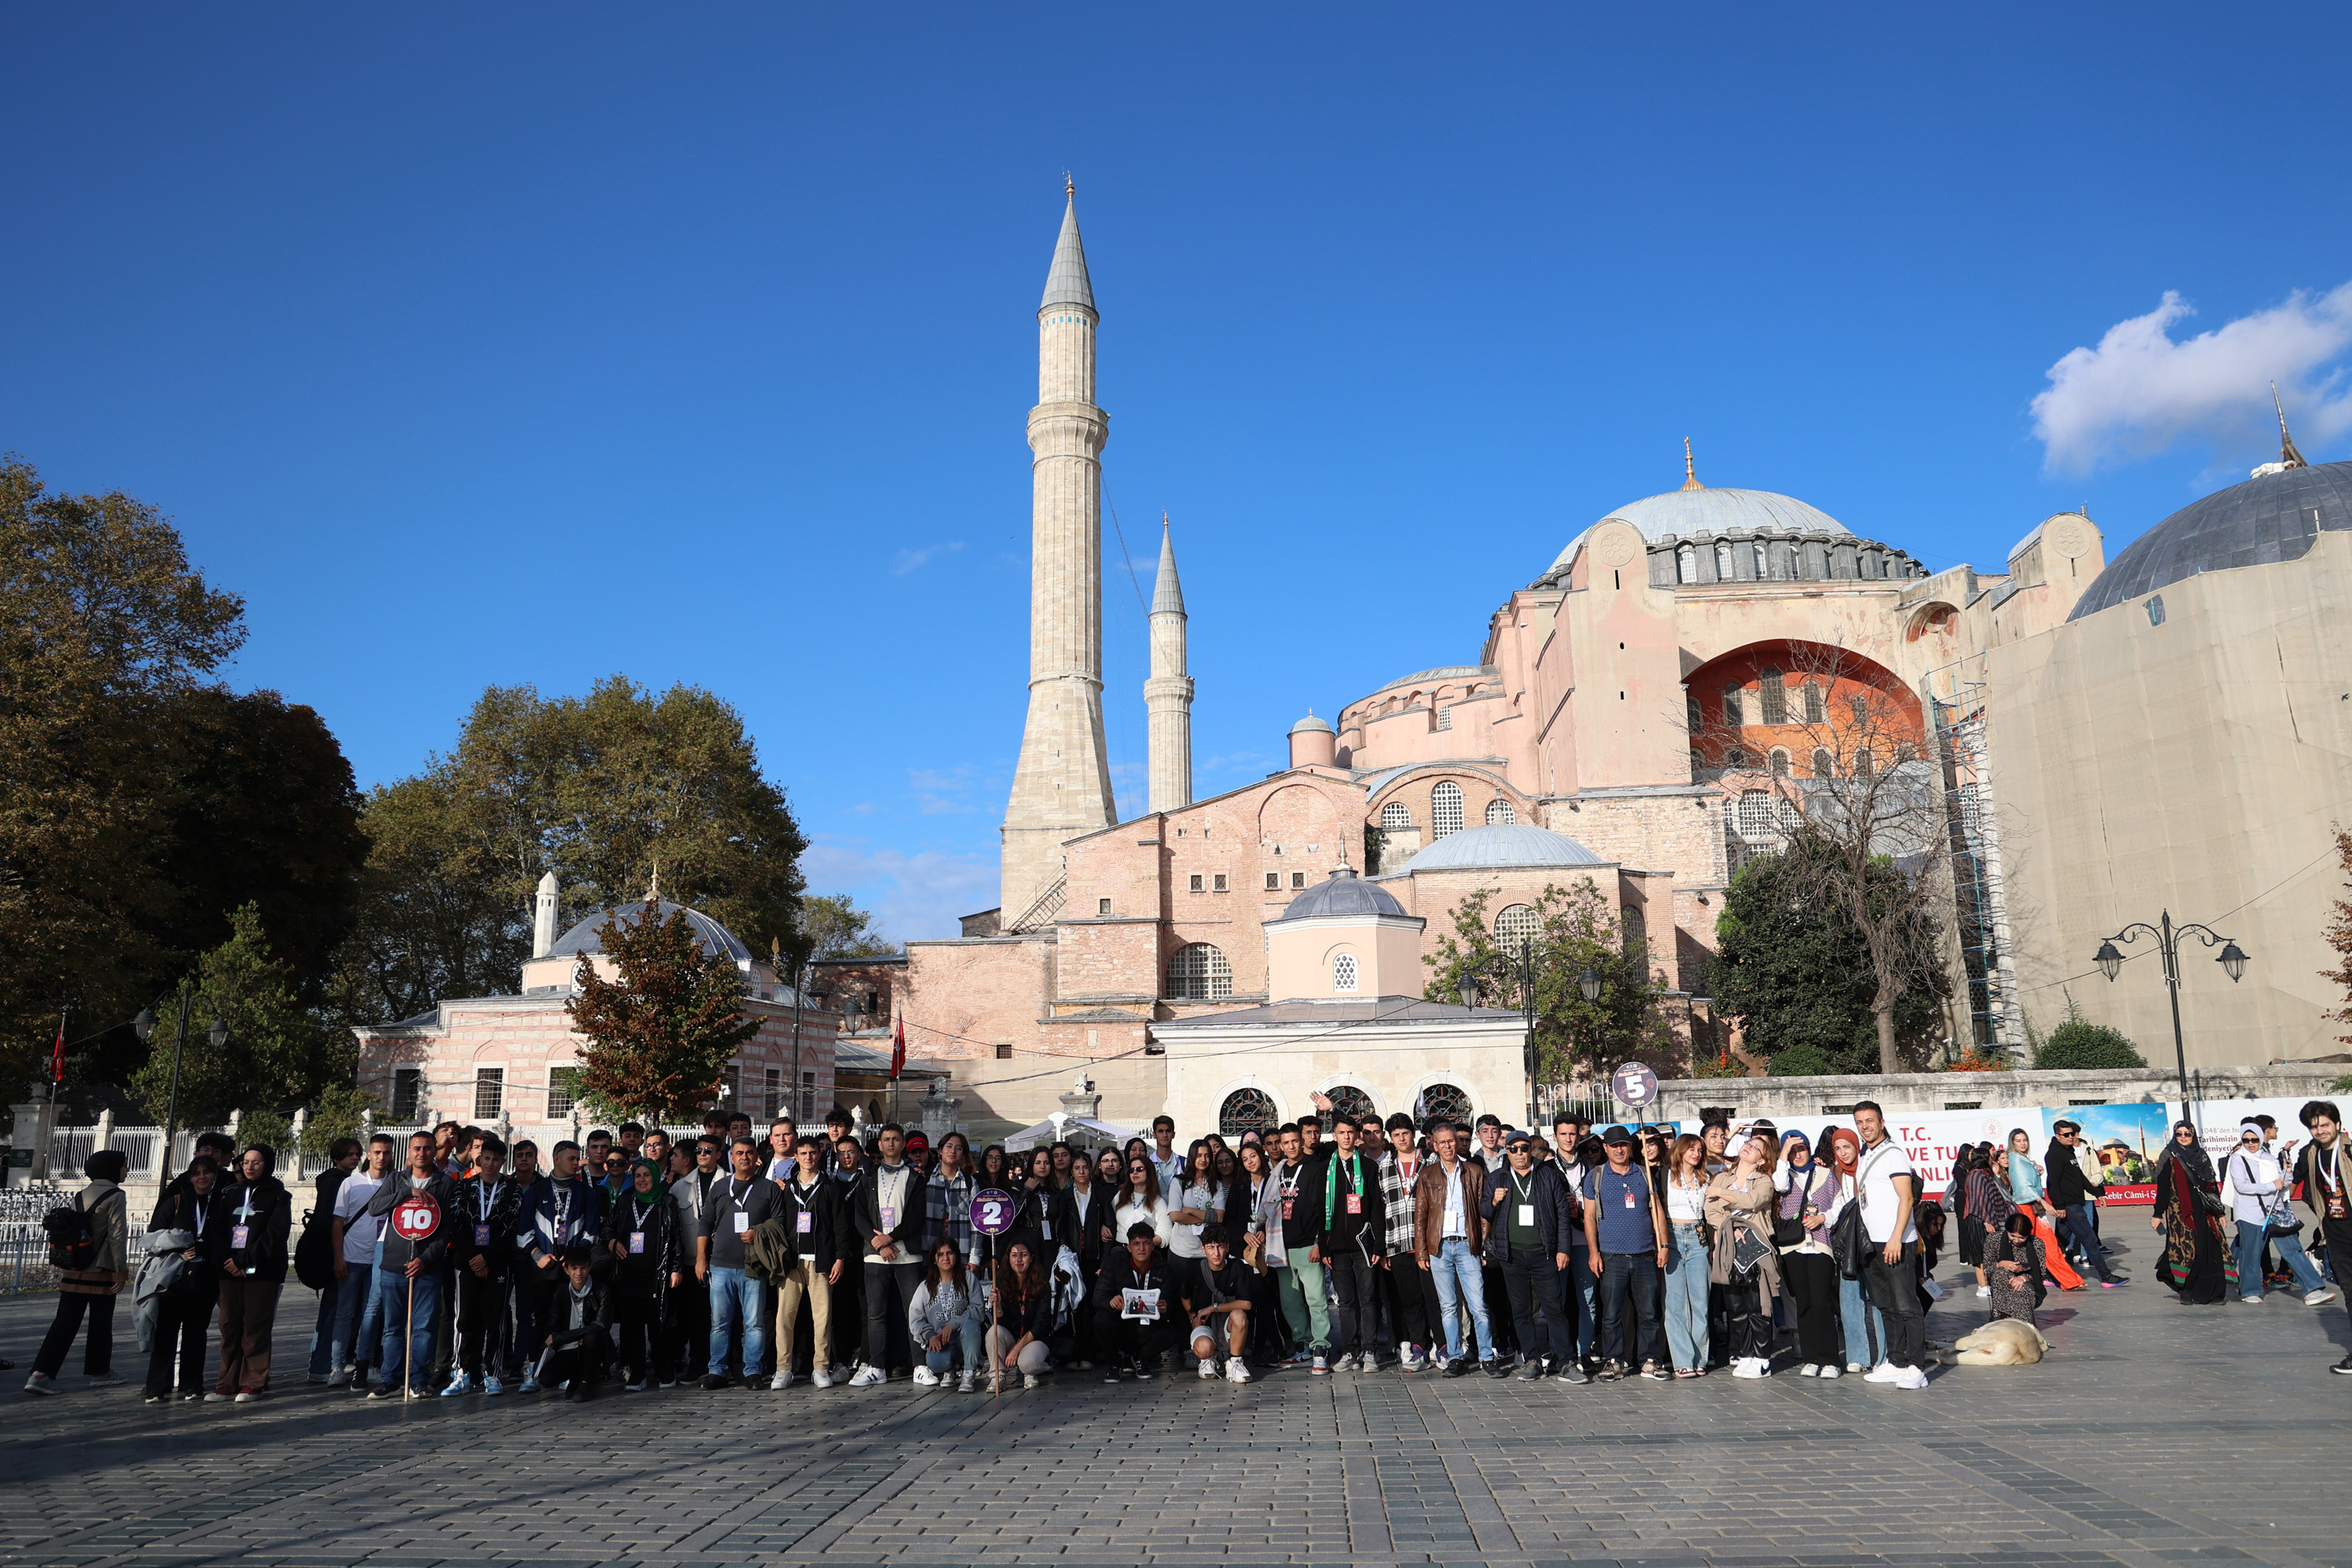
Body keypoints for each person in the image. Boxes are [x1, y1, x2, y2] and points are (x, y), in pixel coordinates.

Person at [26, 1150, 132, 1396]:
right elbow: (117, 1237)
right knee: (101, 1322)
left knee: (64, 1322)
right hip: (101, 1268)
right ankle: (100, 1372)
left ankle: (40, 1374)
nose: (126, 1170)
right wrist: (121, 1271)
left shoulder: (81, 1194)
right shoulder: (116, 1195)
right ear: (112, 1169)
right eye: (123, 1166)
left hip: (74, 1267)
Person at [364, 1131, 459, 1399]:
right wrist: (407, 1192)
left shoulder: (445, 1183)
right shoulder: (396, 1179)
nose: (422, 1153)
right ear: (409, 1151)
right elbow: (374, 1207)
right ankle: (390, 1378)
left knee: (424, 1326)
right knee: (392, 1326)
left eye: (427, 1148)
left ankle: (419, 1379)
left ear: (434, 1151)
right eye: (417, 1148)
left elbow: (447, 1230)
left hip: (427, 1267)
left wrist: (425, 1259)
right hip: (393, 1264)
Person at [1482, 1130, 1582, 1384]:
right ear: (1507, 1152)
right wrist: (1493, 1202)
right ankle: (1532, 1360)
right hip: (1512, 1255)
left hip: (1544, 1254)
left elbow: (1562, 1215)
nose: (1519, 1154)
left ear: (1530, 1149)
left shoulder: (1548, 1176)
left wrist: (1563, 1249)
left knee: (1554, 1309)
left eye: (1523, 1148)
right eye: (1513, 1149)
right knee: (1521, 1311)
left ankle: (1566, 1361)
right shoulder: (1498, 1178)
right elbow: (1483, 1210)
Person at [1851, 1103, 1927, 1390]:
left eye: (1869, 1120)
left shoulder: (1894, 1155)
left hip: (1895, 1241)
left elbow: (1906, 1198)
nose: (1865, 1126)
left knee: (1907, 1305)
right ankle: (1896, 1361)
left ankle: (1917, 1366)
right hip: (1872, 1242)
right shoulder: (1867, 1154)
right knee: (1886, 1306)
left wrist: (1897, 1237)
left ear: (1882, 1122)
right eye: (1860, 1122)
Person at [697, 1136, 782, 1388]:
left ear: (757, 1158)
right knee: (719, 1323)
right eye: (739, 1153)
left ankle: (753, 1371)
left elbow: (779, 1221)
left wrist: (759, 1231)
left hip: (754, 1267)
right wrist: (701, 1259)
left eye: (749, 1153)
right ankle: (717, 1370)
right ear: (731, 1158)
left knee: (754, 1323)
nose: (744, 1157)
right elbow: (705, 1223)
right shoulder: (720, 1187)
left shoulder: (769, 1188)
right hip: (720, 1265)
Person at [1581, 1126, 1665, 1381]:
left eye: (1624, 1145)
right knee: (1611, 1314)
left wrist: (1664, 1246)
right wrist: (1593, 1253)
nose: (1619, 1149)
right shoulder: (1596, 1176)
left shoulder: (1644, 1174)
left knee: (1649, 1313)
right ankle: (1613, 1361)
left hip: (1645, 1255)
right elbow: (1588, 1217)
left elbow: (1657, 1211)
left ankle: (1650, 1361)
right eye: (1614, 1145)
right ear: (1605, 1148)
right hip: (1611, 1256)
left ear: (1631, 1148)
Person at [765, 1135, 850, 1388]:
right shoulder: (786, 1188)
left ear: (819, 1155)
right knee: (785, 1317)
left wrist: (840, 1258)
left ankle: (821, 1367)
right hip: (792, 1262)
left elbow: (841, 1227)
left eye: (813, 1153)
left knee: (822, 1318)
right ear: (796, 1157)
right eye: (803, 1154)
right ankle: (783, 1368)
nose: (808, 1158)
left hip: (821, 1261)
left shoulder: (830, 1187)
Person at [210, 1145, 292, 1402]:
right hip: (229, 1270)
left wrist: (245, 1260)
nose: (250, 1167)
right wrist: (228, 1260)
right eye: (246, 1162)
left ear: (267, 1164)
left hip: (261, 1271)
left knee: (255, 1327)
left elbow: (274, 1235)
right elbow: (217, 1230)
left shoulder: (279, 1195)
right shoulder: (229, 1193)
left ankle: (253, 1382)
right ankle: (227, 1382)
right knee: (229, 1326)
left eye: (256, 1162)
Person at [2223, 1119, 2336, 1305]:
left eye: (2254, 1139)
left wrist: (2287, 1171)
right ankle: (2250, 1291)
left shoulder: (2267, 1158)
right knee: (2251, 1253)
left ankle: (2312, 1290)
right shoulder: (2238, 1158)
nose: (2251, 1143)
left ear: (2260, 1138)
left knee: (2293, 1250)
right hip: (2250, 1214)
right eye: (2246, 1140)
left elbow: (2282, 1184)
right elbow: (2242, 1186)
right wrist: (2271, 1185)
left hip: (2275, 1212)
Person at [1417, 1122, 1498, 1377]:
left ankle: (1486, 1356)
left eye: (1451, 1141)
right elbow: (1420, 1216)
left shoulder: (1473, 1171)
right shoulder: (1428, 1175)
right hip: (1439, 1247)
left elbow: (1485, 1211)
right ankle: (1454, 1356)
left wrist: (1481, 1242)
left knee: (1478, 1305)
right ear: (1435, 1145)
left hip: (1467, 1245)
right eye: (1442, 1142)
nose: (1448, 1146)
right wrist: (1421, 1251)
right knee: (1448, 1306)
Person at [442, 1134, 521, 1396]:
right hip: (467, 1264)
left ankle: (493, 1373)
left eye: (495, 1159)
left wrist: (487, 1258)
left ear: (502, 1161)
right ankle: (464, 1371)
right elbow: (455, 1225)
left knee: (495, 1320)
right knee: (465, 1319)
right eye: (486, 1158)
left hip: (497, 1264)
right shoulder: (464, 1187)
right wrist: (474, 1258)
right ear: (479, 1158)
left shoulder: (512, 1189)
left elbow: (511, 1227)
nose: (490, 1163)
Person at [848, 1123, 926, 1387]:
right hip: (875, 1255)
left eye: (896, 1139)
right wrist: (878, 1243)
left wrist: (890, 1238)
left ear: (903, 1143)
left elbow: (917, 1217)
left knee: (914, 1312)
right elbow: (859, 1216)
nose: (891, 1143)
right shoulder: (868, 1178)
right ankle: (877, 1367)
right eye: (886, 1140)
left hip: (908, 1255)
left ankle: (920, 1365)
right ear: (879, 1145)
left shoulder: (915, 1177)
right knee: (875, 1314)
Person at [1705, 1130, 1781, 1379]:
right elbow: (1710, 1210)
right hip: (1729, 1246)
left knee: (1758, 1304)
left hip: (1755, 1246)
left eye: (1756, 1147)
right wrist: (1732, 1228)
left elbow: (1753, 1202)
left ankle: (1762, 1359)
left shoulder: (1763, 1180)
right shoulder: (1721, 1178)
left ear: (1762, 1160)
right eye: (1748, 1143)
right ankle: (1745, 1353)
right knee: (1736, 1306)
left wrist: (1723, 1196)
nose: (1749, 1147)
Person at [1315, 1117, 1385, 1373]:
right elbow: (1320, 1212)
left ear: (1357, 1136)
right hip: (1337, 1246)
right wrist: (1324, 1246)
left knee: (1367, 1300)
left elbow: (1376, 1207)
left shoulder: (1367, 1166)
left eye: (1350, 1133)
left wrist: (1378, 1245)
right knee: (1345, 1302)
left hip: (1364, 1243)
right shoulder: (1325, 1168)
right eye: (1341, 1132)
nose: (1346, 1137)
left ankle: (1369, 1351)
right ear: (1334, 1136)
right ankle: (1348, 1351)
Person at [604, 1157, 677, 1392]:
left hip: (657, 1274)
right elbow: (608, 1228)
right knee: (631, 1328)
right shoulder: (626, 1200)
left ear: (655, 1177)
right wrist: (612, 1242)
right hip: (629, 1274)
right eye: (637, 1175)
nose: (642, 1180)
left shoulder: (667, 1201)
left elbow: (676, 1239)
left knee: (659, 1327)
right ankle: (636, 1374)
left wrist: (675, 1269)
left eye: (647, 1175)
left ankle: (665, 1371)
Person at [327, 1134, 394, 1389]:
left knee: (373, 1314)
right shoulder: (351, 1183)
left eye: (386, 1153)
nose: (381, 1157)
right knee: (345, 1313)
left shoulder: (395, 1183)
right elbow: (337, 1223)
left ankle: (367, 1364)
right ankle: (337, 1366)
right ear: (369, 1154)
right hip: (351, 1258)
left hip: (380, 1259)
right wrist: (338, 1257)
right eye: (377, 1152)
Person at [1374, 1113, 1439, 1371]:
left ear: (1413, 1134)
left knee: (1434, 1297)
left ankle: (1442, 1346)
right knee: (1410, 1301)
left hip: (1429, 1243)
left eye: (1405, 1134)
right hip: (1398, 1243)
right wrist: (1385, 1250)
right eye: (1396, 1136)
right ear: (1391, 1139)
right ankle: (1418, 1346)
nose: (1402, 1139)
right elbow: (1381, 1209)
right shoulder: (1384, 1167)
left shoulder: (1431, 1161)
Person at [1773, 1132, 1842, 1376]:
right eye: (1792, 1150)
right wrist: (1783, 1156)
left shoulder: (1825, 1173)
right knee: (1803, 1303)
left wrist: (1823, 1218)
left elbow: (1839, 1203)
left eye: (1801, 1148)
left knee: (1822, 1302)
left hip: (1821, 1243)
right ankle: (1811, 1358)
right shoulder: (1784, 1174)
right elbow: (1779, 1186)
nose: (1797, 1155)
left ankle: (1830, 1360)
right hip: (1793, 1246)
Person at [1269, 1124, 1333, 1372]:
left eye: (1295, 1141)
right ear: (1281, 1146)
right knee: (1290, 1303)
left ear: (1301, 1140)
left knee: (1316, 1300)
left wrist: (1319, 1243)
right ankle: (1303, 1346)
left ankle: (1320, 1347)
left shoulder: (1314, 1168)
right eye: (1285, 1143)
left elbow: (1323, 1209)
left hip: (1308, 1245)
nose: (1291, 1146)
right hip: (1282, 1247)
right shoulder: (1277, 1172)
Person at [2294, 1102, 2352, 1367]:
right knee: (2350, 1292)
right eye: (2314, 1126)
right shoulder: (2312, 1154)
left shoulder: (2349, 1149)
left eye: (2325, 1124)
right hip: (2336, 1233)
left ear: (2337, 1124)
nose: (2320, 1130)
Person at [1092, 1224, 1182, 1380]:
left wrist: (1164, 1307)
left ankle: (1141, 1358)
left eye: (1146, 1243)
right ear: (1128, 1247)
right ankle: (1114, 1364)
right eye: (1136, 1244)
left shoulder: (1164, 1268)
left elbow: (1170, 1303)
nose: (1141, 1248)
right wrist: (1111, 1302)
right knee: (1101, 1319)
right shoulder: (1114, 1263)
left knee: (1171, 1332)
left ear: (1153, 1245)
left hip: (1148, 1326)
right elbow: (1098, 1297)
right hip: (1121, 1323)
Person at [666, 1138, 722, 1384]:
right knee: (695, 1317)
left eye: (708, 1150)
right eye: (698, 1150)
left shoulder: (729, 1182)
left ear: (719, 1154)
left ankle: (723, 1363)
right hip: (690, 1264)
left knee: (722, 1317)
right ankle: (697, 1363)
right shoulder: (680, 1187)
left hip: (722, 1261)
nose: (702, 1154)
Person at [2044, 1120, 2123, 1286]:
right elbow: (2053, 1182)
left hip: (2074, 1202)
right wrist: (2059, 1206)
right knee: (2090, 1239)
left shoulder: (2068, 1151)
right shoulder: (2054, 1155)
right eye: (2066, 1135)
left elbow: (2080, 1177)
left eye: (2072, 1133)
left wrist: (2098, 1193)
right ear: (2057, 1136)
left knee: (2061, 1242)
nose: (2071, 1137)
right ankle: (2106, 1277)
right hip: (2068, 1205)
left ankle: (2049, 1276)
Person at [1659, 1134, 1711, 1377]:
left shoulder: (1706, 1178)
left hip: (1698, 1236)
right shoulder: (1664, 1176)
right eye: (1692, 1149)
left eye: (1700, 1150)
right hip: (1672, 1236)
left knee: (1700, 1302)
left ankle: (1700, 1357)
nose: (1696, 1153)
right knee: (1675, 1303)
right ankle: (1682, 1360)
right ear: (1680, 1150)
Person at [536, 1246, 612, 1401]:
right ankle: (577, 1376)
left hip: (594, 1346)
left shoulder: (601, 1291)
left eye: (583, 1268)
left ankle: (588, 1380)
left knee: (591, 1337)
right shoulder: (561, 1294)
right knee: (546, 1379)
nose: (579, 1273)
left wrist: (562, 1337)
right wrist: (540, 1363)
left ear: (589, 1267)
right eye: (574, 1268)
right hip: (569, 1348)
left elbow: (601, 1325)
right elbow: (550, 1332)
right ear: (566, 1270)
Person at [909, 1239, 984, 1391]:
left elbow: (978, 1308)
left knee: (971, 1325)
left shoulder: (967, 1277)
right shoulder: (925, 1287)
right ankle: (950, 1369)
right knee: (934, 1362)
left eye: (950, 1253)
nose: (945, 1258)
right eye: (940, 1254)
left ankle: (969, 1373)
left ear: (956, 1256)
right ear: (934, 1260)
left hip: (965, 1338)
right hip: (941, 1340)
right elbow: (915, 1319)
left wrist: (953, 1325)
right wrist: (930, 1336)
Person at [1181, 1225, 1254, 1383]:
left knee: (1240, 1315)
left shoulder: (1237, 1267)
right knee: (1203, 1348)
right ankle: (1208, 1359)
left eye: (1220, 1247)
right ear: (1203, 1249)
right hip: (1204, 1326)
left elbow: (1246, 1304)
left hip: (1229, 1327)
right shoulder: (1194, 1269)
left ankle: (1235, 1363)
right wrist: (1192, 1317)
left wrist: (1213, 1308)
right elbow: (1183, 1296)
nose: (1216, 1253)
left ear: (1227, 1247)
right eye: (1211, 1247)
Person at [988, 1239, 1060, 1388]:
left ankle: (1034, 1368)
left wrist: (1016, 1349)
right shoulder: (1002, 1282)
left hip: (1035, 1339)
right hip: (1013, 1336)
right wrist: (998, 1306)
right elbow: (1002, 1323)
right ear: (1008, 1258)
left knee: (1028, 1364)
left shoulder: (1041, 1284)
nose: (1019, 1259)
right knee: (993, 1332)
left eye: (1024, 1255)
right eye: (1014, 1255)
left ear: (1032, 1258)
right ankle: (998, 1375)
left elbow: (1041, 1324)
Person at [924, 1131, 978, 1265]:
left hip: (960, 1255)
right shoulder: (925, 1179)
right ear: (940, 1151)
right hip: (928, 1253)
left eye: (958, 1148)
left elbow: (976, 1224)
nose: (953, 1151)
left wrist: (974, 1259)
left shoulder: (969, 1182)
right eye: (948, 1146)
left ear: (963, 1155)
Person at [1167, 1140, 1222, 1267]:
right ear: (1192, 1157)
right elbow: (1175, 1216)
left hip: (1207, 1252)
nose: (1203, 1159)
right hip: (1181, 1251)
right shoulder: (1178, 1182)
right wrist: (1207, 1218)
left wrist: (1190, 1211)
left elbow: (1219, 1217)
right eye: (1199, 1155)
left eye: (1207, 1155)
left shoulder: (1216, 1184)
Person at [1986, 1211, 2045, 1325]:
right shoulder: (1994, 1240)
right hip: (2001, 1285)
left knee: (2021, 1292)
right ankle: (2007, 1319)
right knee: (2000, 1273)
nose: (2017, 1241)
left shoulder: (2037, 1243)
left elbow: (2041, 1272)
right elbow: (1987, 1270)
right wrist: (2000, 1264)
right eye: (2013, 1236)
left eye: (2021, 1238)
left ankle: (2021, 1327)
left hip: (2029, 1284)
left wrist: (2023, 1278)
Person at [1112, 1151, 1174, 1247]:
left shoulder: (1158, 1201)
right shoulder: (1121, 1195)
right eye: (1131, 1170)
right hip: (1120, 1250)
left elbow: (1166, 1234)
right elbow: (1109, 1218)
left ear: (1149, 1172)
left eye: (1140, 1169)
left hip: (1144, 1252)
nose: (1135, 1172)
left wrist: (1143, 1243)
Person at [1148, 1115, 1185, 1198]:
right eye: (1160, 1131)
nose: (1165, 1135)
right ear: (1154, 1135)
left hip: (1179, 1209)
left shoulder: (1184, 1163)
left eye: (1168, 1131)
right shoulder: (1147, 1163)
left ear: (1173, 1134)